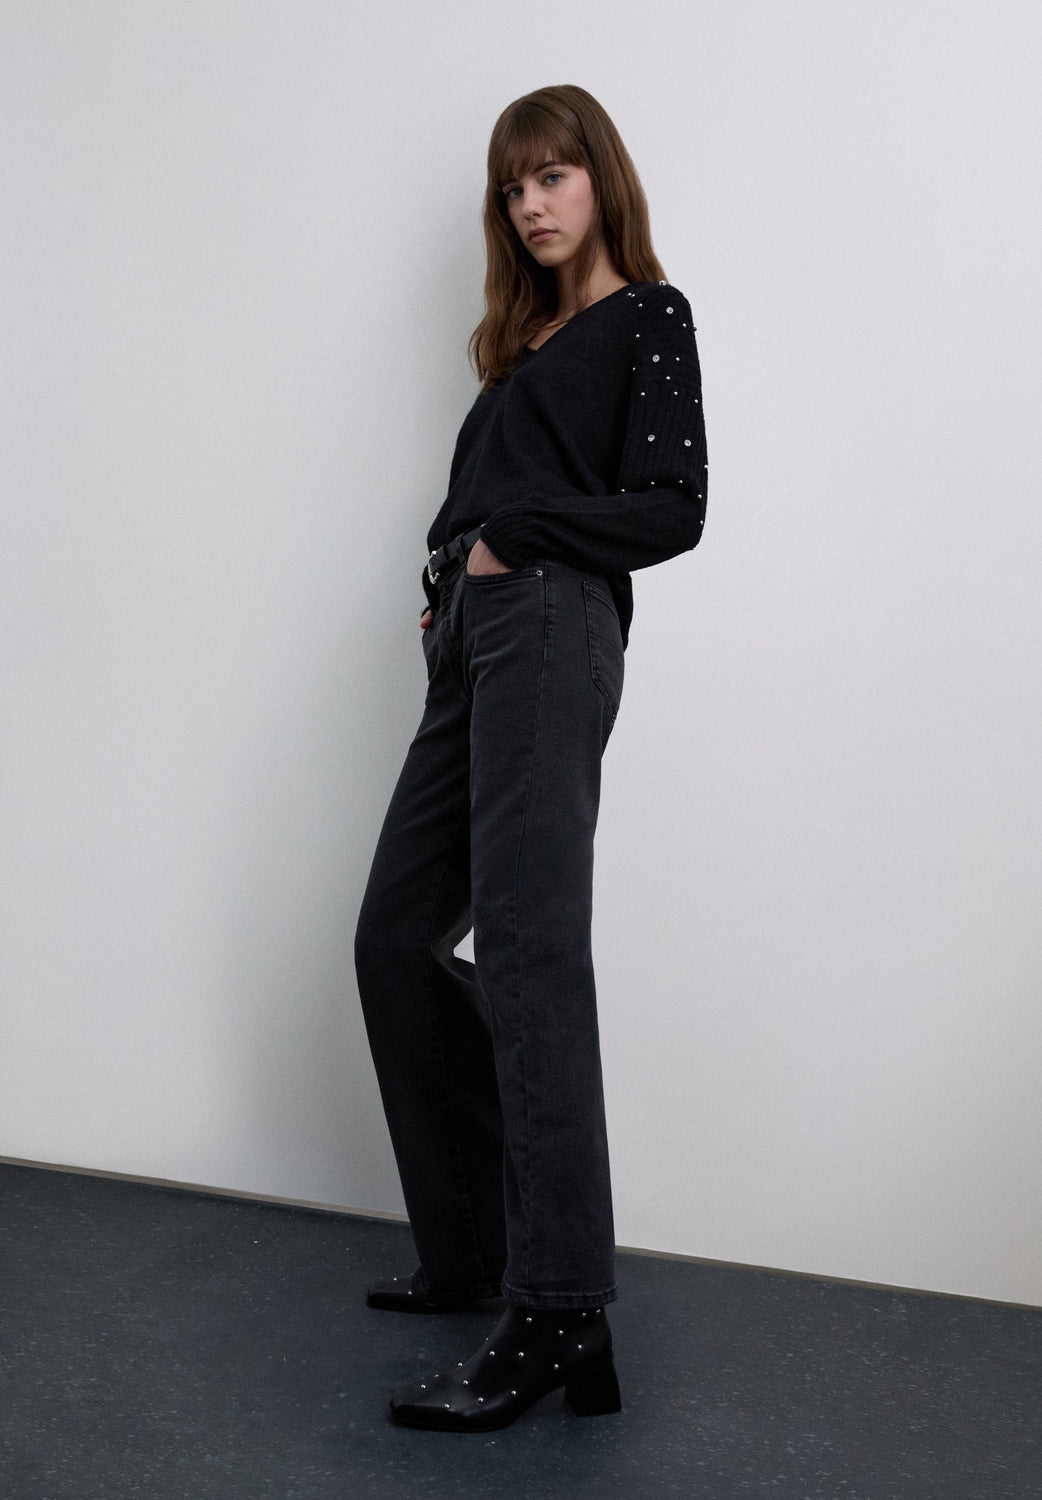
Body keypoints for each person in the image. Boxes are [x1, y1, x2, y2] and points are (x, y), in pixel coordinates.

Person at [353, 83, 708, 1433]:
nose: (532, 204)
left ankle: (560, 1308)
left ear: (599, 177)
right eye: (513, 188)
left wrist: (514, 541)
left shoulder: (647, 319)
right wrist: (449, 585)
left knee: (526, 945)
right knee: (395, 938)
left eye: (553, 175)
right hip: (474, 636)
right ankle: (476, 1249)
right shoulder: (518, 352)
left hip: (553, 621)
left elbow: (672, 508)